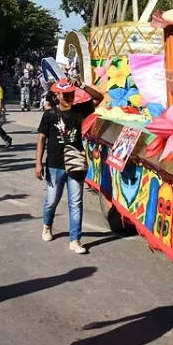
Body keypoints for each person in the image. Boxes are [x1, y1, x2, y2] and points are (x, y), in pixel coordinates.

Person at [35, 78, 104, 254]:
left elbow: (99, 97)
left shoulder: (80, 111)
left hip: (75, 163)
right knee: (52, 201)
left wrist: (81, 85)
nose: (69, 97)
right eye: (65, 95)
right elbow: (42, 139)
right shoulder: (49, 115)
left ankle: (75, 240)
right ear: (57, 95)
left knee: (76, 203)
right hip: (54, 165)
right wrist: (38, 163)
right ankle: (47, 225)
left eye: (71, 94)